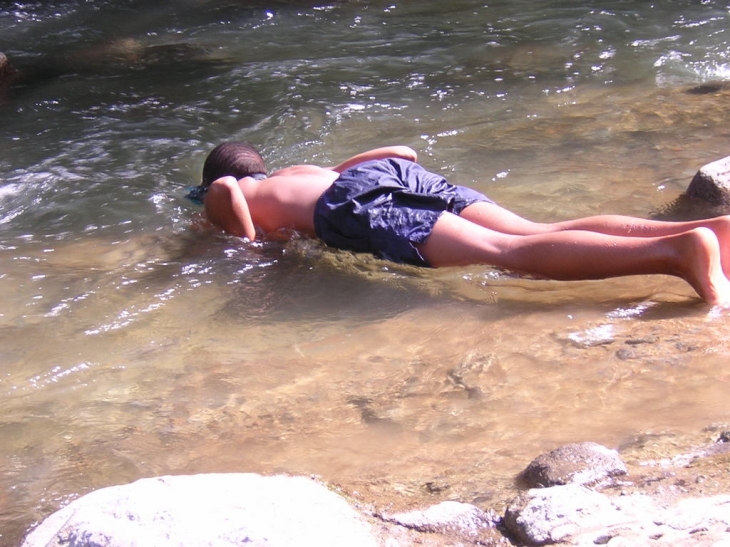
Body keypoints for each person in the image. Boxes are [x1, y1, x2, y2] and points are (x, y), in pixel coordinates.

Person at [187, 141, 730, 306]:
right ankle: (711, 234)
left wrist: (251, 246)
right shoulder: (300, 171)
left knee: (506, 255)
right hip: (386, 176)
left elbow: (225, 191)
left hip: (355, 207)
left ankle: (678, 254)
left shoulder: (232, 189)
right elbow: (404, 150)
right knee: (535, 229)